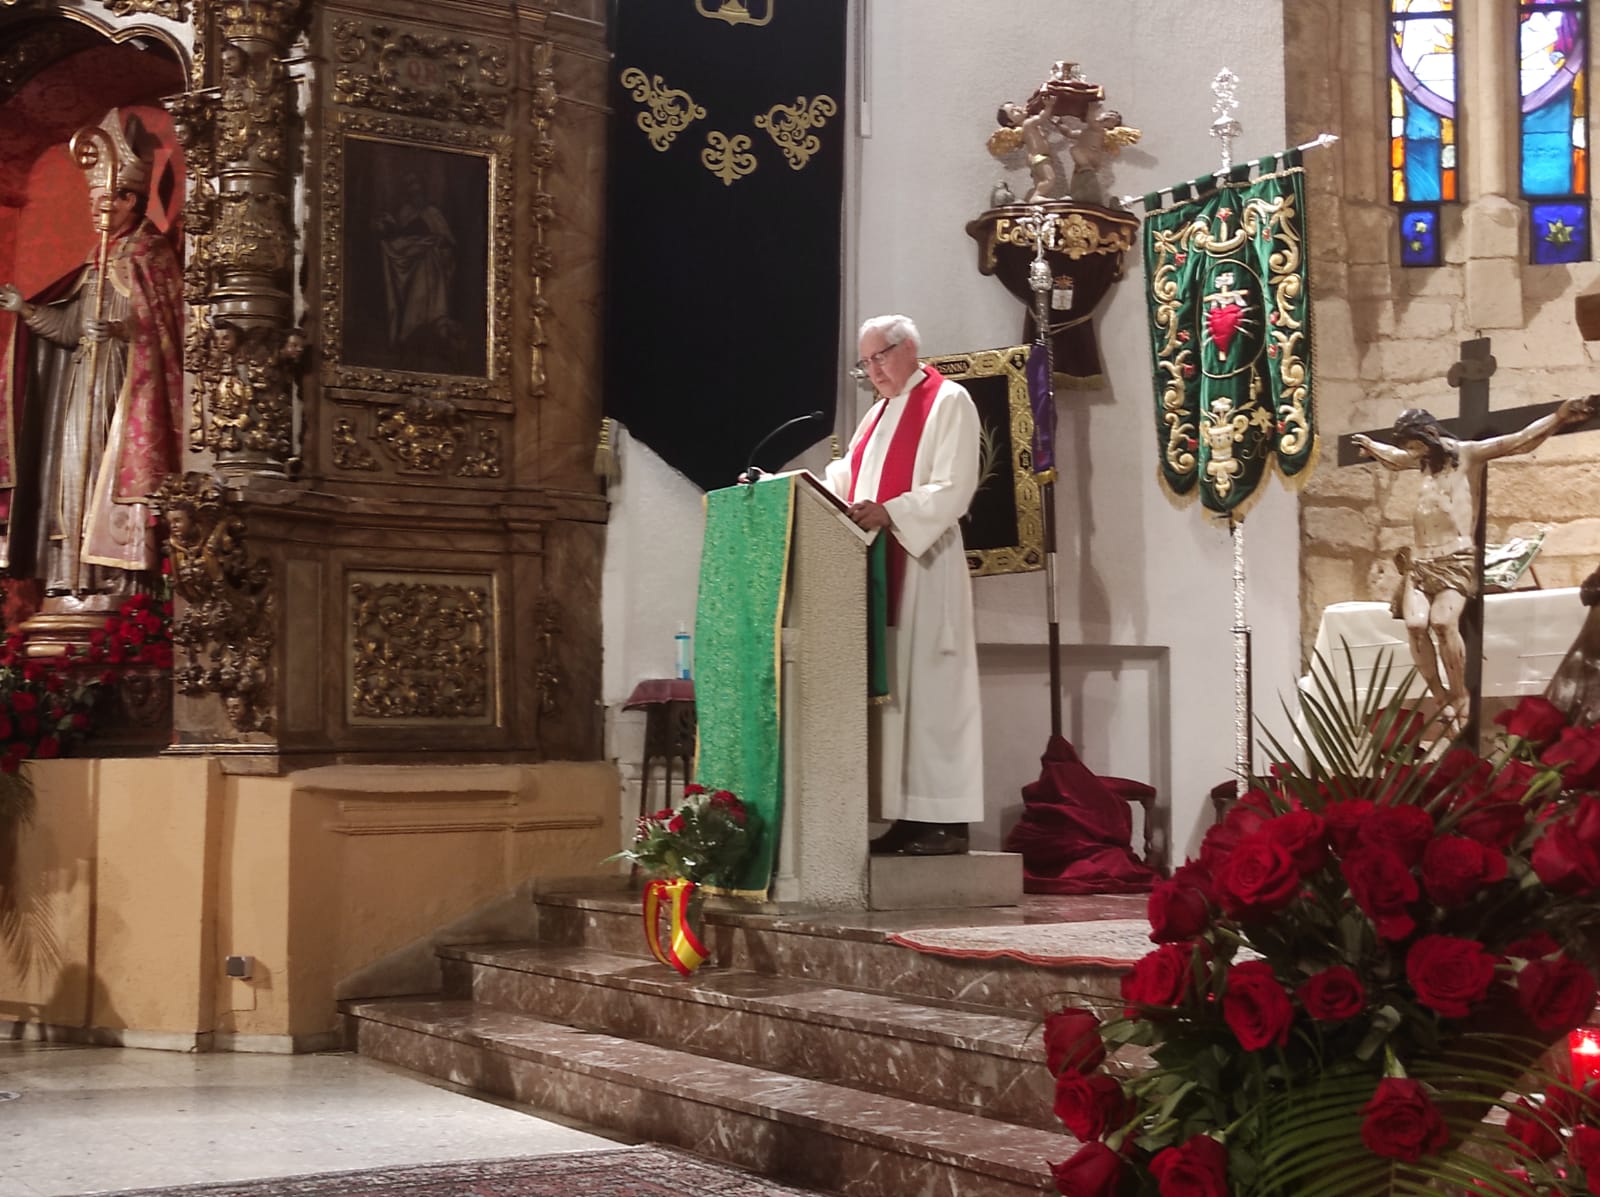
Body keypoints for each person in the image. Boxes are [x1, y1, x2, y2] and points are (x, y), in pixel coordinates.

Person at [0, 109, 184, 595]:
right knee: (69, 475)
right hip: (83, 382)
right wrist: (26, 311)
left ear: (129, 199)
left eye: (104, 200)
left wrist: (123, 328)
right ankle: (69, 579)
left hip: (126, 384)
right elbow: (66, 329)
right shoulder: (95, 259)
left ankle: (117, 582)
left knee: (110, 473)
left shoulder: (151, 253)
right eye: (92, 199)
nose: (96, 210)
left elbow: (170, 329)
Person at [824, 315, 984, 855]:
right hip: (877, 569)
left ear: (910, 347)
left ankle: (948, 822)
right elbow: (843, 480)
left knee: (933, 695)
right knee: (898, 698)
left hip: (925, 565)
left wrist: (890, 511)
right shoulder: (874, 417)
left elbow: (954, 487)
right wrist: (795, 490)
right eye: (865, 364)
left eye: (881, 357)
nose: (873, 372)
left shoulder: (948, 401)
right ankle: (909, 814)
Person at [1352, 396, 1595, 722]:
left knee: (1441, 622)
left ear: (1428, 435)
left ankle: (1459, 695)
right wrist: (1371, 447)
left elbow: (1518, 442)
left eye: (1416, 446)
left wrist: (1559, 417)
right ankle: (1439, 696)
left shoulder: (1467, 454)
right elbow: (1395, 459)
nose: (1414, 454)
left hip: (1455, 558)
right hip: (1421, 562)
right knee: (1414, 624)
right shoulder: (1423, 462)